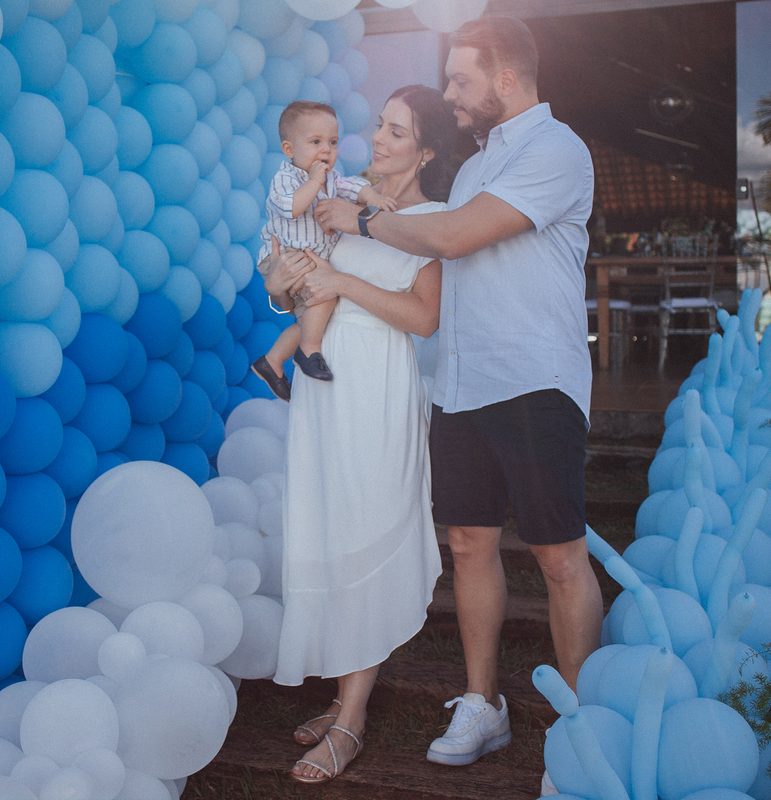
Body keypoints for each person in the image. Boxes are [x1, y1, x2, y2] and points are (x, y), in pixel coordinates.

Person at [314, 16, 603, 772]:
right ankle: (484, 704)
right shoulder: (475, 165)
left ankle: (578, 722)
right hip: (464, 383)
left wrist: (366, 219)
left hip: (534, 379)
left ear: (507, 77)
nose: (451, 94)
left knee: (559, 557)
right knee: (470, 544)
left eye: (461, 80)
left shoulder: (557, 151)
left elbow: (451, 238)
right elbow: (433, 239)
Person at [262, 85, 472, 784]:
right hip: (323, 393)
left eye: (397, 131)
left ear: (428, 149)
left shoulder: (435, 221)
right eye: (379, 125)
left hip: (377, 388)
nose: (377, 138)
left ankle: (350, 717)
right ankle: (344, 692)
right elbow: (292, 274)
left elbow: (422, 319)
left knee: (366, 527)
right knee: (326, 526)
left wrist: (340, 285)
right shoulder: (342, 197)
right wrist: (281, 276)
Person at [251, 101, 397, 400]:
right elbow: (291, 208)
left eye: (332, 142)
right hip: (286, 257)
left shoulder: (331, 179)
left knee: (310, 318)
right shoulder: (286, 178)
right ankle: (308, 352)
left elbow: (351, 187)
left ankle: (272, 361)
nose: (326, 150)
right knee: (324, 293)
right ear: (290, 150)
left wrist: (372, 196)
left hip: (309, 259)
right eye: (315, 142)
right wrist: (315, 181)